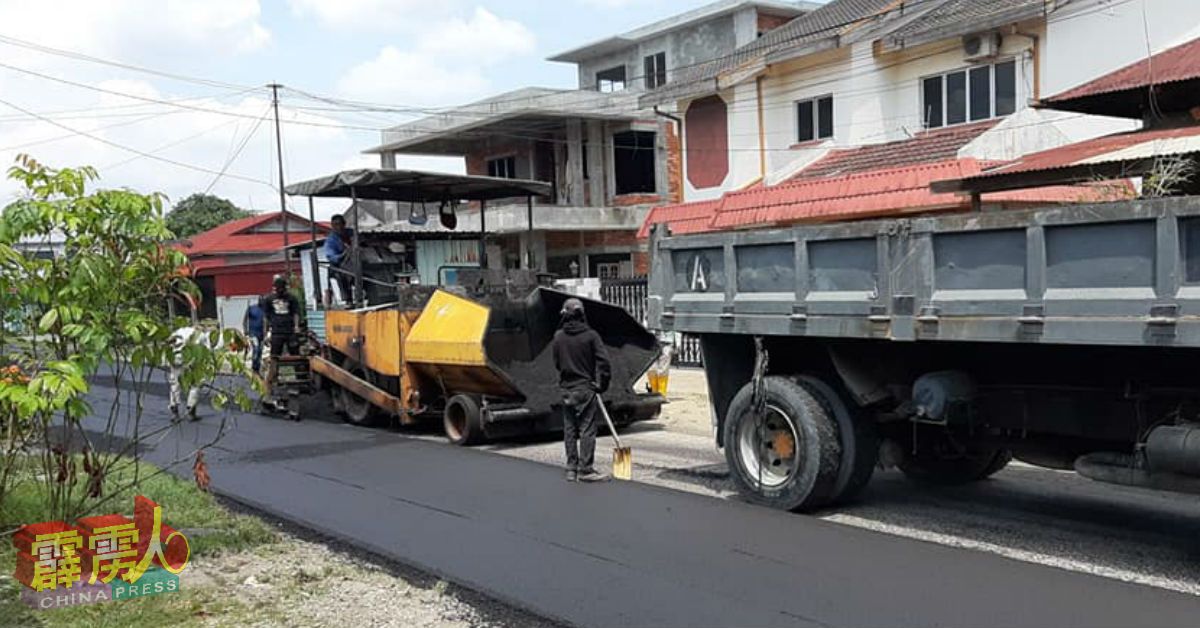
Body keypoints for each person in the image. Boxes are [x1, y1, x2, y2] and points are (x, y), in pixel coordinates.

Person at [553, 298, 611, 482]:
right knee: (587, 429)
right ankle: (585, 469)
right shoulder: (591, 336)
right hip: (585, 388)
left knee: (570, 429)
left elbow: (556, 363)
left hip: (566, 389)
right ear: (582, 314)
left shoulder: (558, 337)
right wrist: (603, 385)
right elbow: (605, 363)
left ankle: (571, 468)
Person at [262, 275, 301, 399]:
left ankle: (298, 383)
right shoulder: (269, 299)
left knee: (296, 358)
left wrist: (296, 327)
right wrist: (266, 333)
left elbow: (296, 314)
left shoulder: (292, 298)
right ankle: (268, 390)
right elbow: (266, 318)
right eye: (277, 287)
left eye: (281, 287)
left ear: (284, 287)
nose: (279, 290)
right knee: (274, 359)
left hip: (289, 331)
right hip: (277, 332)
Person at [323, 214, 354, 304]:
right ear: (332, 226)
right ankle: (348, 299)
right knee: (341, 274)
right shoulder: (331, 241)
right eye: (335, 225)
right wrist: (344, 254)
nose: (338, 227)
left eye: (340, 224)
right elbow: (331, 257)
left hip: (355, 262)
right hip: (338, 266)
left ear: (344, 224)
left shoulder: (351, 233)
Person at [242, 300, 266, 374]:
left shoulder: (265, 310)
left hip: (261, 335)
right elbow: (245, 319)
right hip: (252, 334)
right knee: (256, 348)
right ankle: (253, 367)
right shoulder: (251, 308)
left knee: (260, 351)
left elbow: (265, 322)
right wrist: (245, 330)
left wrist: (265, 333)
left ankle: (257, 368)